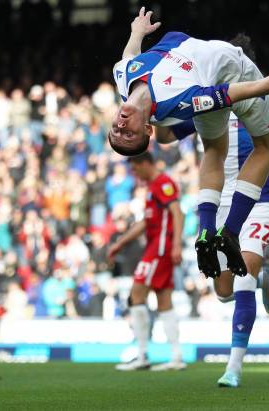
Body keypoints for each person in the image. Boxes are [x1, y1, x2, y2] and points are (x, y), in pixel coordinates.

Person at [109, 8, 269, 280]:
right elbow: (239, 91)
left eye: (116, 132)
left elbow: (129, 56)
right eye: (128, 135)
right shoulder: (184, 101)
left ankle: (207, 231)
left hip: (253, 192)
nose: (120, 128)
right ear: (147, 128)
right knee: (268, 146)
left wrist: (136, 32)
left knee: (214, 149)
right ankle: (229, 232)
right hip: (232, 73)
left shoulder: (122, 76)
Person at [156, 92, 269, 387]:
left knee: (243, 278)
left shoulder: (268, 100)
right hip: (219, 203)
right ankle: (265, 277)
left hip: (260, 201)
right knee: (224, 291)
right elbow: (166, 135)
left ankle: (234, 367)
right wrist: (155, 112)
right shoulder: (206, 102)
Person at [108, 152, 185, 371]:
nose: (135, 173)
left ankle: (142, 354)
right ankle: (176, 356)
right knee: (164, 301)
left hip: (160, 249)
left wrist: (177, 244)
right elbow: (146, 222)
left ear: (145, 163)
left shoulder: (163, 183)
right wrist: (120, 243)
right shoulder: (153, 187)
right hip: (159, 248)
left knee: (136, 294)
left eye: (135, 168)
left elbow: (178, 213)